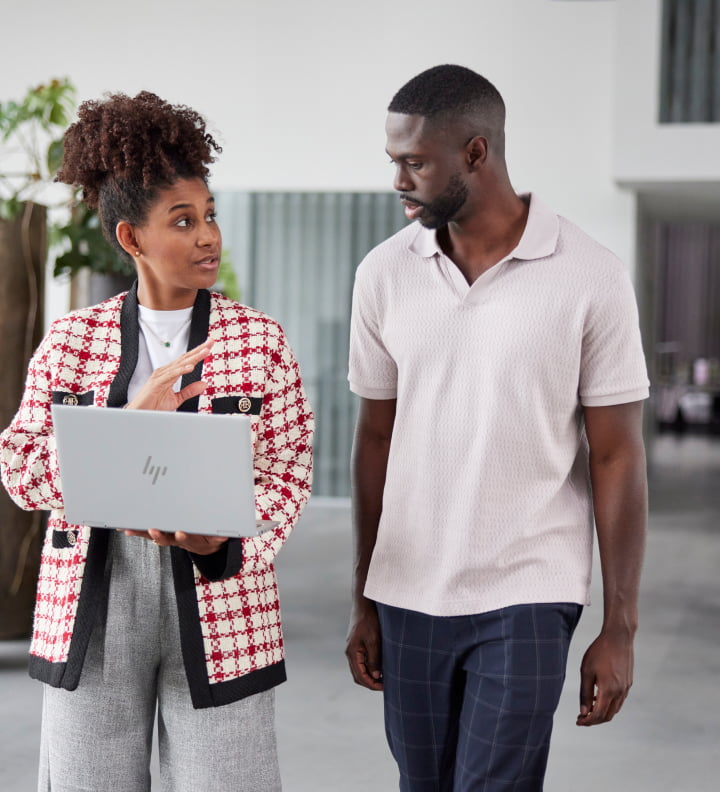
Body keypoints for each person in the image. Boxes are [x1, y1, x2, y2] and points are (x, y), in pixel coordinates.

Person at [345, 64, 649, 791]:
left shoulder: (590, 275)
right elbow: (375, 439)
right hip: (409, 589)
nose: (398, 180)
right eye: (394, 162)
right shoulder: (383, 274)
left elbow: (616, 455)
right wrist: (363, 595)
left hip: (529, 591)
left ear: (475, 153)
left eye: (414, 162)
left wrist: (621, 625)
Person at [0, 91, 314, 792]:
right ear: (131, 239)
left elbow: (287, 477)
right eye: (183, 221)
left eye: (209, 216)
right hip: (94, 598)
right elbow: (19, 470)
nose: (207, 236)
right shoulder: (70, 343)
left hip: (220, 597)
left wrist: (227, 542)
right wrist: (125, 422)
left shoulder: (259, 342)